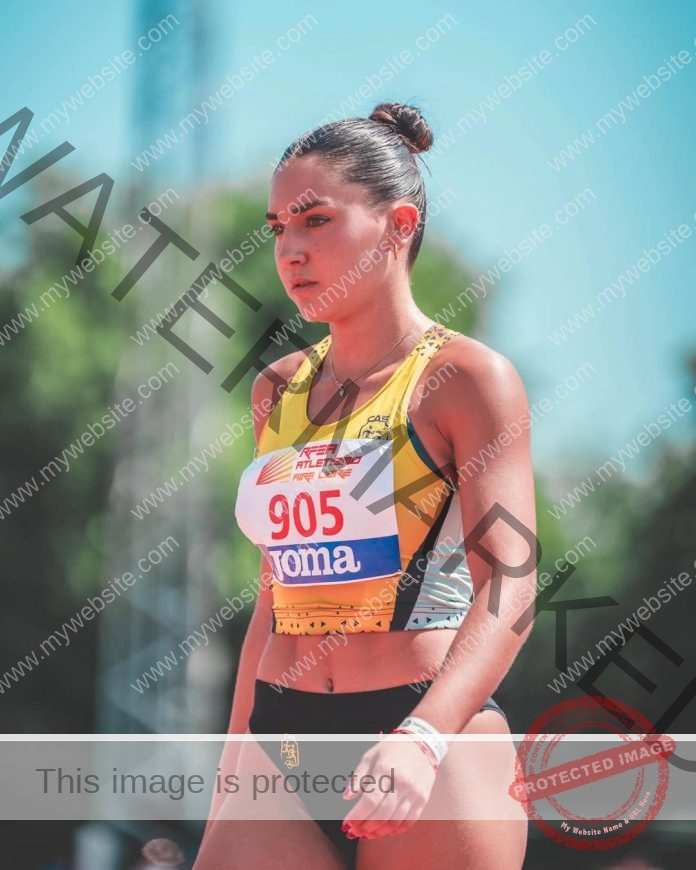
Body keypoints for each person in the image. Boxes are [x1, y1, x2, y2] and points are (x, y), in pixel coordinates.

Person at [193, 102, 536, 870]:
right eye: (279, 226)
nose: (290, 248)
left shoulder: (467, 380)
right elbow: (274, 597)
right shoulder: (275, 390)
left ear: (399, 224)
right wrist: (234, 755)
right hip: (279, 740)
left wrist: (423, 739)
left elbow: (510, 589)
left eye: (315, 219)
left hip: (427, 734)